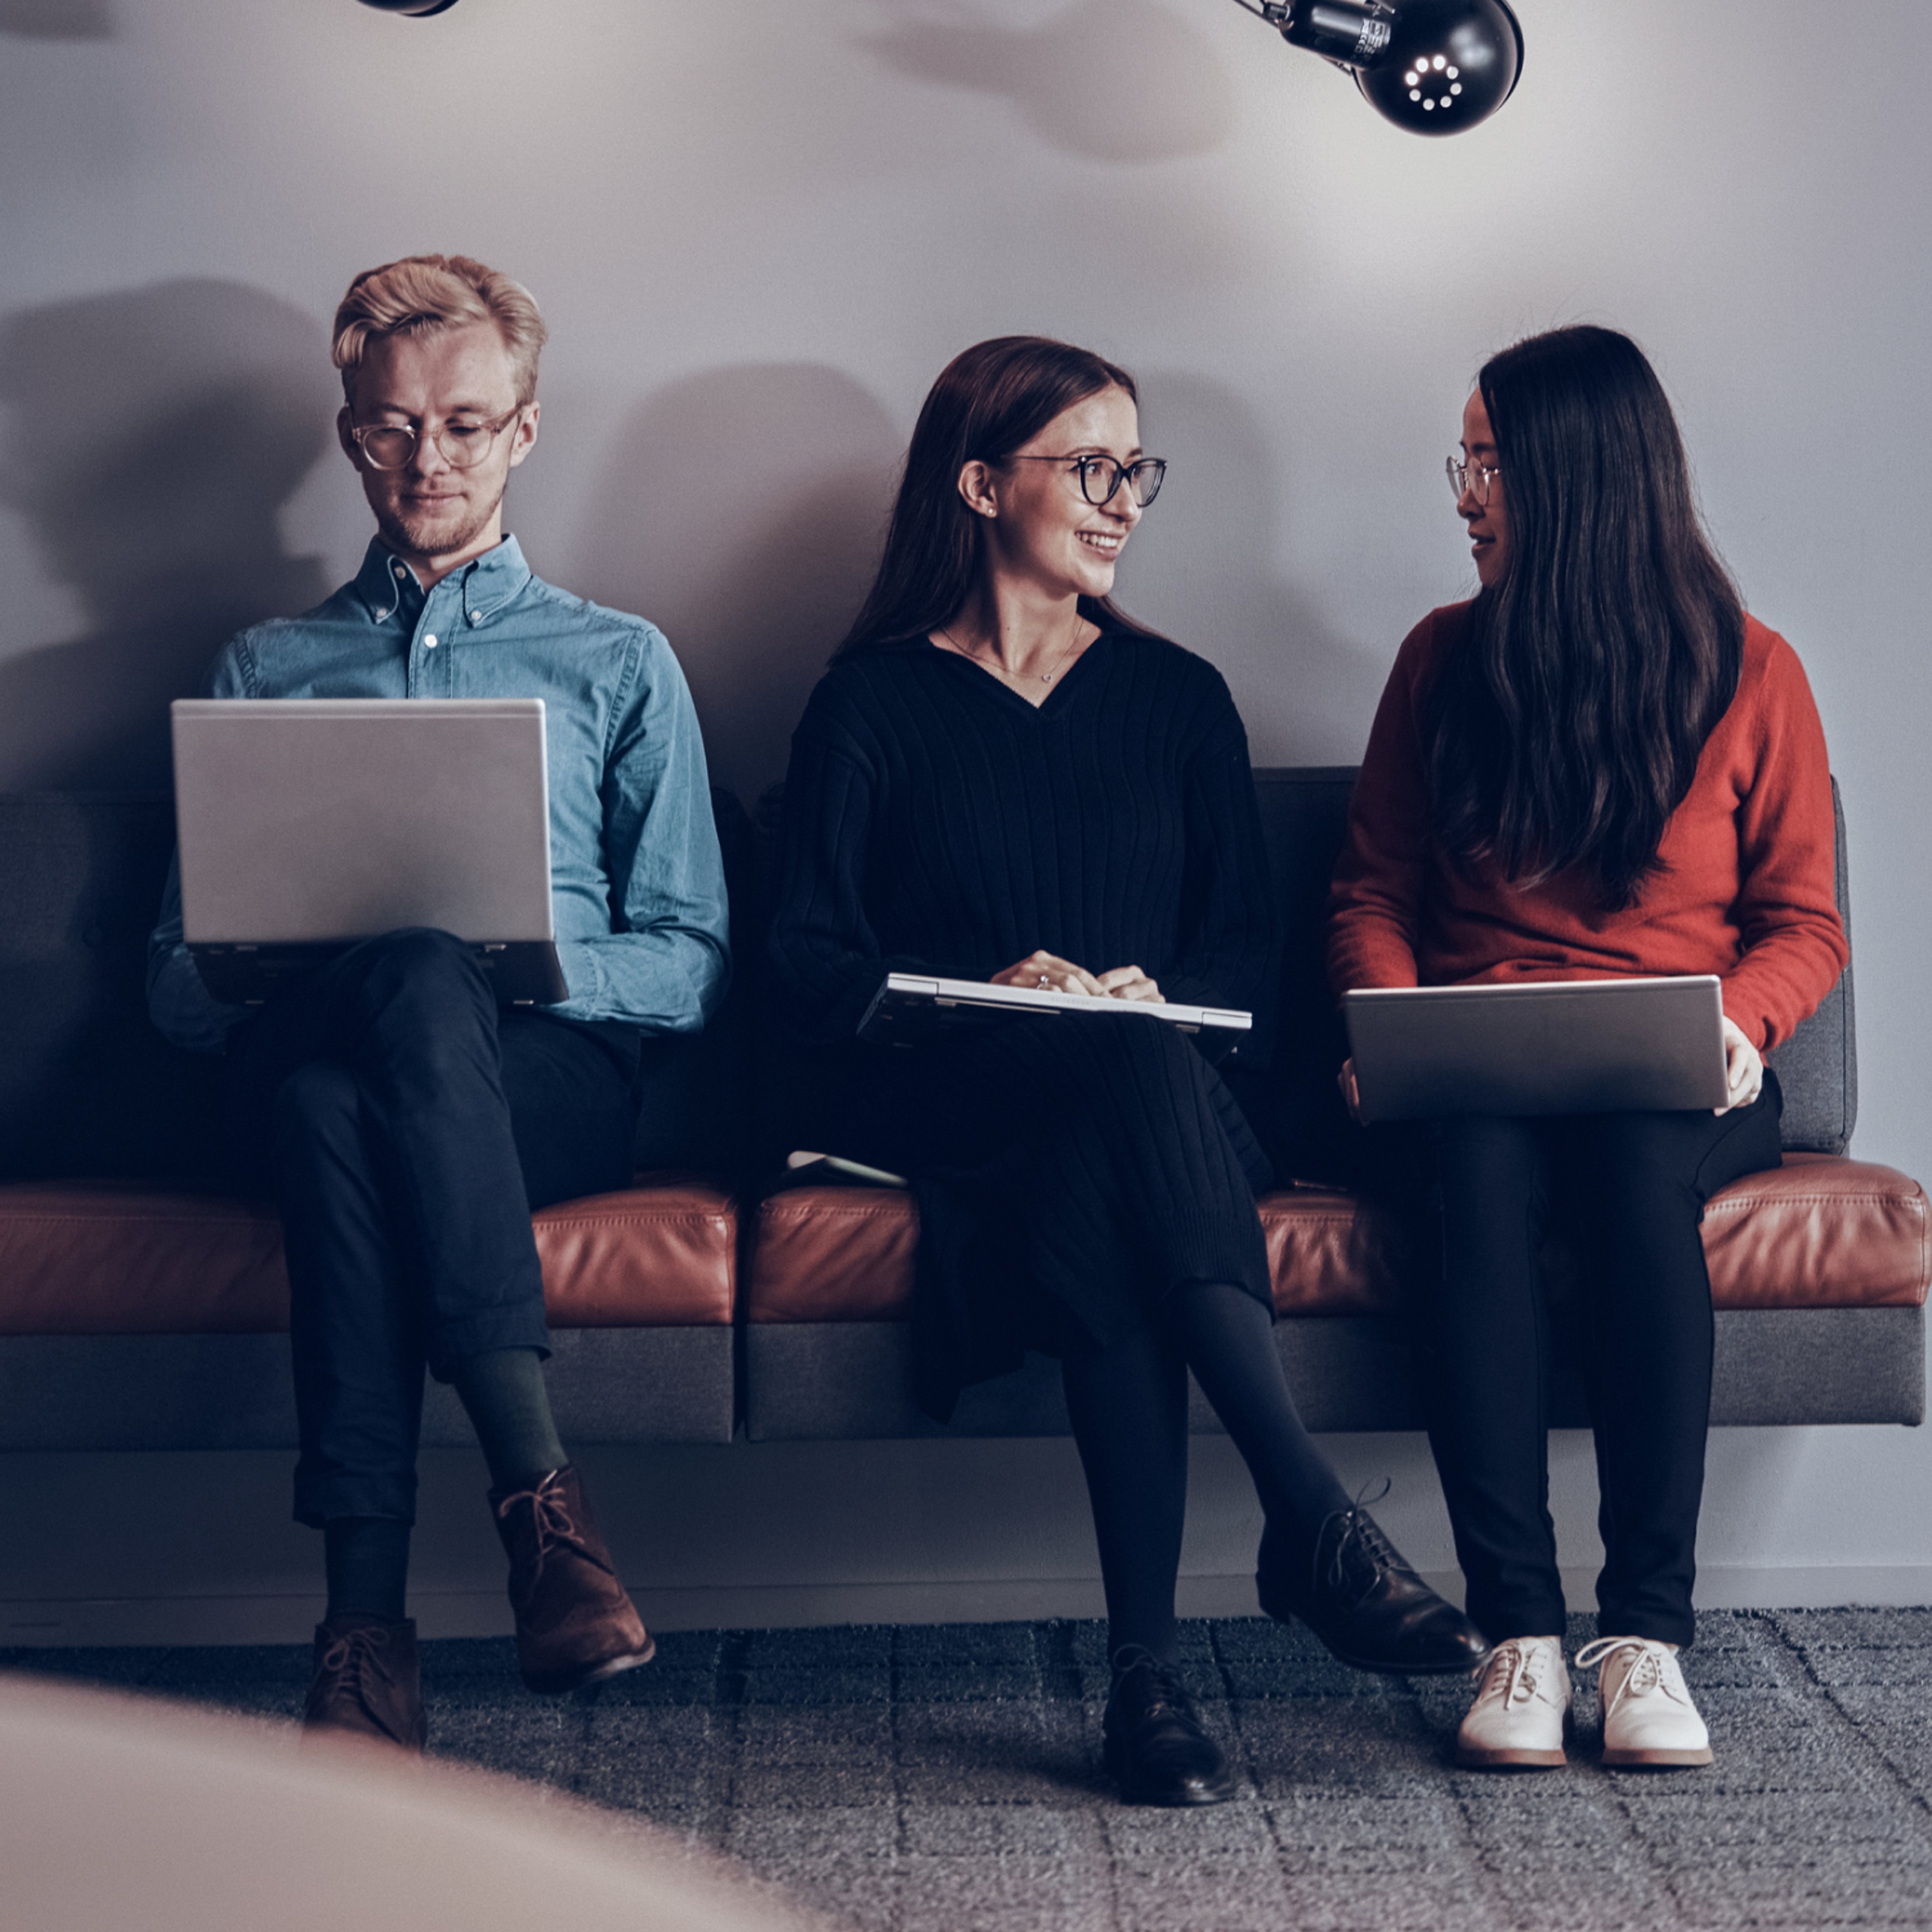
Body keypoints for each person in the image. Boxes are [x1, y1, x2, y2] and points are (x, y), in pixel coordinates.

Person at [766, 336, 1486, 1809]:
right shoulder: (870, 708)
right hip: (952, 1094)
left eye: (1135, 471)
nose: (1123, 501)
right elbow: (809, 969)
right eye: (1089, 467)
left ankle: (1150, 1684)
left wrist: (1147, 998)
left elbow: (1244, 961)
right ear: (980, 484)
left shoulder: (1179, 700)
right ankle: (1307, 1524)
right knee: (1107, 1101)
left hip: (1152, 1098)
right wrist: (994, 991)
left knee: (1116, 1121)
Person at [146, 255, 731, 1751]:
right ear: (350, 433)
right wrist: (234, 963)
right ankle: (547, 1521)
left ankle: (363, 1632)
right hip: (311, 1043)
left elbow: (689, 956)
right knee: (374, 1014)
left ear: (523, 434)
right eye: (395, 429)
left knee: (366, 1076)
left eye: (467, 427)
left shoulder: (620, 661)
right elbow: (168, 991)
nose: (430, 460)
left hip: (543, 1074)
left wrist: (540, 967)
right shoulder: (263, 666)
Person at [1328, 325, 1847, 1772]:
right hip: (1478, 1070)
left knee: (1631, 1187)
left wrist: (1744, 1027)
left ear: (1570, 477)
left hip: (1672, 1070)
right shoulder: (1441, 663)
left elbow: (1804, 918)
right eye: (1467, 462)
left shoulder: (1753, 671)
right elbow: (1372, 891)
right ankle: (1521, 1637)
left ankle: (1645, 1638)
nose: (1463, 492)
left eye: (1484, 462)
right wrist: (1385, 1022)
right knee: (1474, 1192)